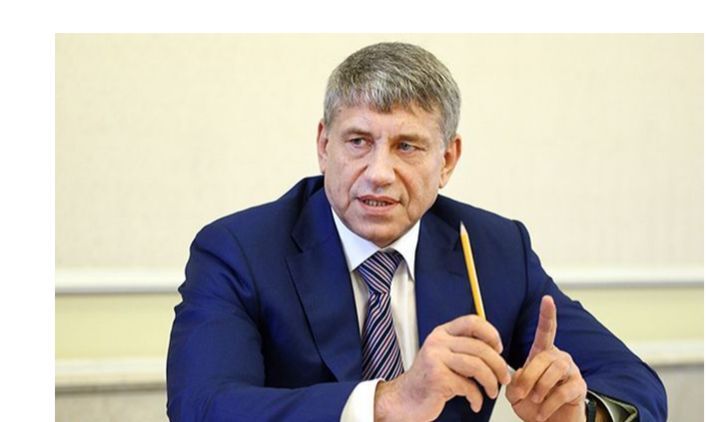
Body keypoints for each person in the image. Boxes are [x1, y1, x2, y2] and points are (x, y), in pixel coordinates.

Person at [166, 42, 667, 422]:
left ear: (447, 160)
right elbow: (201, 405)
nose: (379, 172)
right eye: (358, 141)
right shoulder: (239, 251)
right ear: (323, 145)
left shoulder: (494, 249)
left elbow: (635, 384)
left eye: (407, 146)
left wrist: (581, 413)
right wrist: (389, 401)